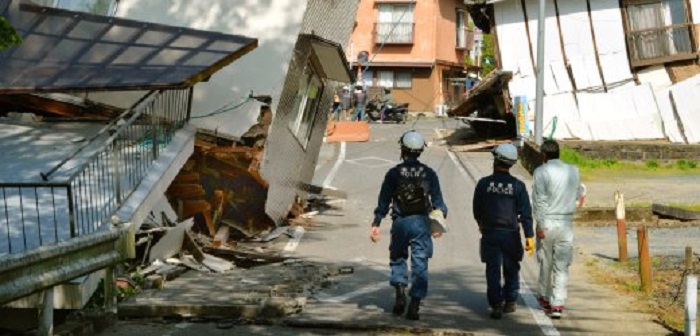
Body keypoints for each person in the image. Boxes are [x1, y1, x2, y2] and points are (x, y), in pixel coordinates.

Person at [370, 130, 448, 321]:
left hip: (400, 223)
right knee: (420, 261)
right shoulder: (429, 173)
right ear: (420, 151)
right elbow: (439, 203)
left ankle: (399, 295)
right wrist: (438, 225)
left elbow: (383, 201)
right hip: (421, 223)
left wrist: (376, 223)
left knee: (397, 257)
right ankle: (414, 305)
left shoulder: (393, 173)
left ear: (403, 149)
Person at [473, 143, 534, 320]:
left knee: (492, 269)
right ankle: (510, 301)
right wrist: (529, 235)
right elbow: (525, 213)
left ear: (495, 160)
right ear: (512, 163)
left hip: (490, 232)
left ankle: (496, 304)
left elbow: (477, 209)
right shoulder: (518, 185)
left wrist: (481, 224)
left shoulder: (483, 184)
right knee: (511, 268)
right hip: (511, 233)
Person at [533, 139, 586, 320]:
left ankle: (545, 297)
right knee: (562, 266)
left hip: (548, 222)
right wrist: (577, 198)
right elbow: (580, 192)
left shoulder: (541, 171)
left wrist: (540, 225)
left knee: (546, 264)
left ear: (544, 155)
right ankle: (558, 304)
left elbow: (539, 201)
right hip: (566, 223)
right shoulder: (573, 170)